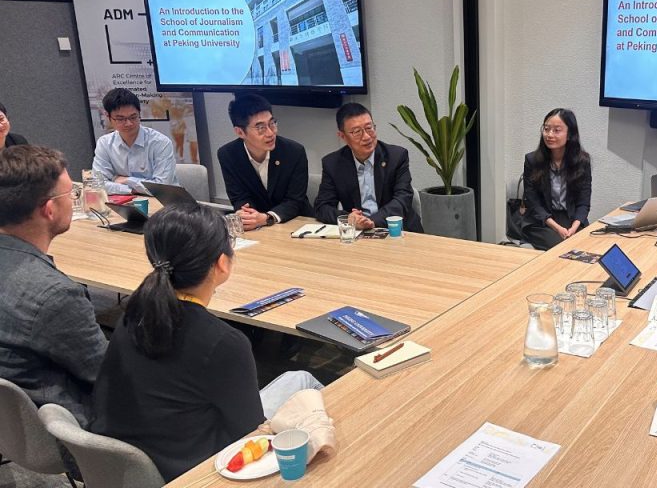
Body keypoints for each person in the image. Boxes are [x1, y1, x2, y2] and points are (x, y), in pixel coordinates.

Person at [90, 204, 323, 482]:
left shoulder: (134, 313)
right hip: (201, 470)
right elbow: (249, 432)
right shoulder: (224, 343)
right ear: (222, 263)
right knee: (303, 381)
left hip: (130, 466)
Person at [0, 145, 108, 426]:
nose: (73, 199)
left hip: (12, 424)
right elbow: (109, 374)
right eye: (71, 194)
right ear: (49, 209)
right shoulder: (56, 296)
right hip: (66, 426)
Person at [314, 102, 423, 232]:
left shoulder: (397, 157)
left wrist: (372, 221)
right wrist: (349, 218)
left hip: (398, 230)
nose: (366, 137)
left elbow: (402, 200)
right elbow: (322, 207)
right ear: (343, 136)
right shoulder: (333, 164)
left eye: (369, 128)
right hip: (358, 232)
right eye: (357, 132)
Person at [217, 93, 311, 231]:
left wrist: (267, 218)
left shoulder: (294, 152)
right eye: (261, 128)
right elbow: (239, 197)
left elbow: (295, 200)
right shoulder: (228, 154)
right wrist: (247, 215)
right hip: (257, 227)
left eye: (272, 123)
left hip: (294, 222)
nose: (270, 133)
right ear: (240, 132)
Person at [521, 108, 592, 251]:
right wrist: (557, 228)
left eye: (557, 130)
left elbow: (583, 203)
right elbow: (533, 202)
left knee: (587, 247)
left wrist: (574, 227)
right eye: (546, 129)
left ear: (570, 134)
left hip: (571, 219)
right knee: (563, 248)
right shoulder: (532, 160)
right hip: (542, 221)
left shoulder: (582, 162)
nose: (549, 134)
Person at [91, 88, 179, 195]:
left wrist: (126, 180)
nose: (128, 123)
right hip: (124, 201)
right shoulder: (104, 143)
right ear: (108, 116)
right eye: (120, 119)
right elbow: (98, 184)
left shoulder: (160, 143)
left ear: (139, 113)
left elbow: (162, 187)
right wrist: (130, 189)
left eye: (133, 117)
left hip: (163, 201)